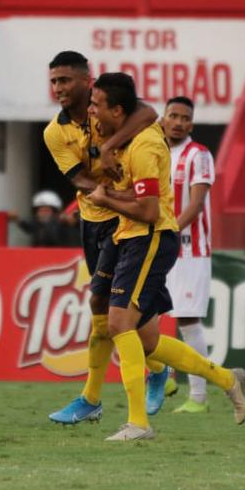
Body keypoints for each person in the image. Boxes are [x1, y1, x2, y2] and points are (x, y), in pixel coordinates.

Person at [85, 73, 245, 441]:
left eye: (96, 104)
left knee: (117, 326)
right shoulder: (129, 134)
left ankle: (139, 423)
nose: (91, 110)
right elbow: (146, 111)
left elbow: (147, 210)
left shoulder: (145, 148)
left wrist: (104, 198)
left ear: (116, 110)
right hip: (132, 238)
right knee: (147, 342)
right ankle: (227, 379)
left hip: (150, 238)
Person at [40, 51, 160, 425]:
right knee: (115, 317)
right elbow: (77, 178)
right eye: (54, 81)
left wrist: (109, 147)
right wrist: (110, 195)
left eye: (65, 80)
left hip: (129, 222)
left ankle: (96, 396)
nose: (58, 88)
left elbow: (147, 113)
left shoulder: (104, 107)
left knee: (111, 312)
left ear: (86, 80)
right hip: (94, 221)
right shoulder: (54, 132)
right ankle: (156, 370)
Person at [161, 96, 216, 414]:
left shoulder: (199, 155)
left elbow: (195, 206)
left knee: (187, 319)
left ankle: (198, 397)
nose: (179, 122)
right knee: (146, 313)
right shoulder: (156, 152)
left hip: (190, 248)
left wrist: (168, 232)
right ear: (163, 118)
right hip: (160, 245)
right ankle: (163, 374)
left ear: (191, 124)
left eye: (185, 117)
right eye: (174, 115)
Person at [8, 190, 80, 248]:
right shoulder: (37, 224)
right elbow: (27, 226)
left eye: (46, 210)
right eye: (40, 210)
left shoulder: (63, 223)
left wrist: (73, 220)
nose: (43, 213)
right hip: (40, 259)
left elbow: (75, 222)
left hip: (62, 259)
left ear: (54, 212)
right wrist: (17, 219)